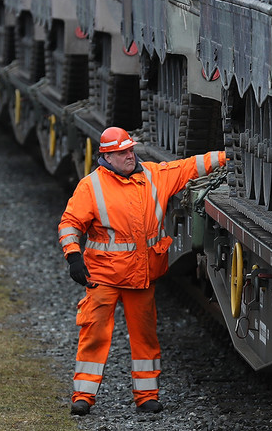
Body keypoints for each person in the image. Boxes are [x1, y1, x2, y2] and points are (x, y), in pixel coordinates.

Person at [57, 126, 226, 416]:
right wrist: (73, 257)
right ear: (106, 157)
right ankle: (83, 396)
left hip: (140, 278)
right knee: (94, 334)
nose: (129, 156)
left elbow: (191, 167)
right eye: (122, 152)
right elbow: (70, 223)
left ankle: (147, 396)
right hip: (103, 278)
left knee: (145, 337)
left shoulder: (155, 176)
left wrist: (228, 157)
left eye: (131, 150)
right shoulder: (91, 186)